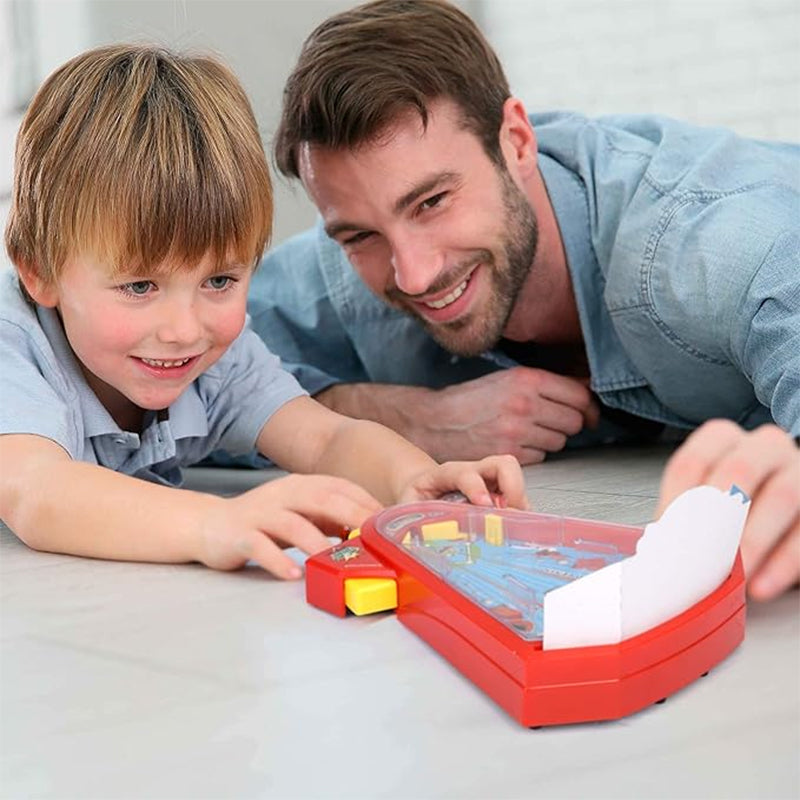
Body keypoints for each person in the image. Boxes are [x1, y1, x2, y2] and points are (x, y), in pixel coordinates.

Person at [247, 0, 799, 600]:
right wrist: (402, 416)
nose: (412, 273)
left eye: (431, 202)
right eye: (360, 236)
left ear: (516, 140)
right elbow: (176, 365)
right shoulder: (340, 269)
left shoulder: (712, 244)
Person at [0, 43, 527, 582]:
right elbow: (37, 493)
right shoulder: (10, 344)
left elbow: (325, 438)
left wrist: (414, 481)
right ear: (38, 272)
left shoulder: (217, 357)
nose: (184, 330)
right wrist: (215, 522)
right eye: (139, 286)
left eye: (220, 281)